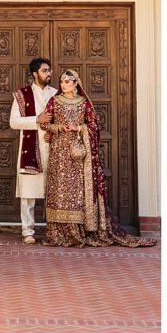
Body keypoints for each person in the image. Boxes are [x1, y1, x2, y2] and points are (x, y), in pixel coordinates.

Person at [42, 69, 156, 248]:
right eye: (62, 81)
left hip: (79, 152)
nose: (63, 85)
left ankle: (80, 231)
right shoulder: (53, 101)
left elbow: (93, 126)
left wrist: (79, 129)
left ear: (75, 84)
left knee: (78, 189)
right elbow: (44, 123)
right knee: (60, 188)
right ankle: (59, 234)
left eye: (67, 82)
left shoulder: (84, 103)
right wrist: (60, 128)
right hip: (59, 151)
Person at [9, 57, 57, 244]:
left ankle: (55, 229)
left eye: (50, 70)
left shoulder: (56, 93)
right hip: (31, 149)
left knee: (54, 191)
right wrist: (37, 119)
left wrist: (53, 131)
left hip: (53, 147)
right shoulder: (21, 95)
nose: (49, 74)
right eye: (45, 71)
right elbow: (14, 122)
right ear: (35, 74)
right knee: (29, 193)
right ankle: (27, 232)